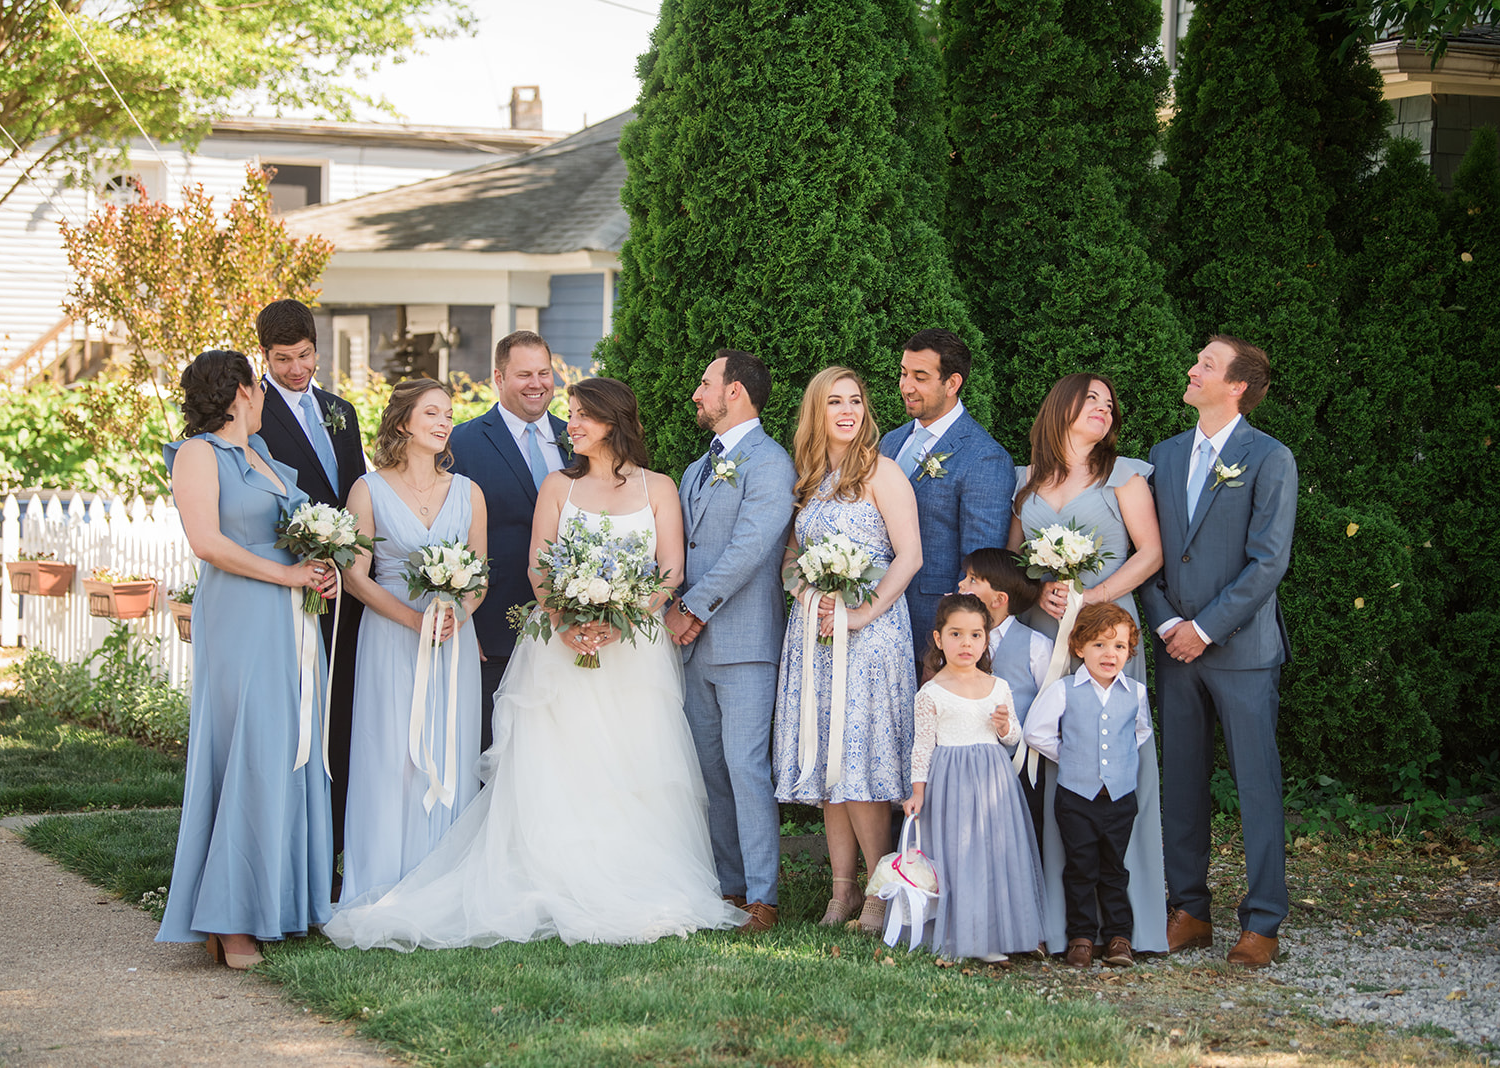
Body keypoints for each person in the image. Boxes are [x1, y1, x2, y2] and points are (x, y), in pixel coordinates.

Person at [324, 378, 743, 949]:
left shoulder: (659, 487)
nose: (569, 425)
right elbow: (538, 567)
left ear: (614, 421)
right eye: (569, 414)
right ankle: (551, 876)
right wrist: (569, 620)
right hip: (558, 650)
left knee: (632, 766)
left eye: (581, 416)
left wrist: (619, 619)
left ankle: (630, 876)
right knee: (557, 764)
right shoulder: (556, 486)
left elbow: (668, 570)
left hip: (632, 653)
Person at [156, 350, 338, 968]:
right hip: (240, 614)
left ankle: (281, 903)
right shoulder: (199, 454)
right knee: (246, 748)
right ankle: (230, 920)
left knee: (289, 745)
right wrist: (286, 578)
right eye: (258, 386)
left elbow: (296, 533)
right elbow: (207, 542)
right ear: (239, 391)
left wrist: (319, 571)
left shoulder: (265, 458)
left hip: (289, 621)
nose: (264, 396)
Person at [1139, 336, 1297, 969]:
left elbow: (1268, 563)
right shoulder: (1165, 454)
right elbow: (1148, 555)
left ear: (1237, 386)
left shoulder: (1270, 458)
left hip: (1242, 652)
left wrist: (1203, 628)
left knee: (1257, 786)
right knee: (1180, 784)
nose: (1192, 369)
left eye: (1206, 364)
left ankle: (1262, 921)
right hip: (1176, 649)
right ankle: (1190, 911)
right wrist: (1169, 623)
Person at [1009, 371, 1167, 955]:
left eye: (1108, 402)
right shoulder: (1024, 484)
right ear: (1062, 408)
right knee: (1055, 760)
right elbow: (1016, 562)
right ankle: (1061, 922)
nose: (1103, 408)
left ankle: (1130, 924)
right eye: (1090, 399)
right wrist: (1041, 590)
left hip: (1108, 635)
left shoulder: (1122, 476)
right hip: (1048, 635)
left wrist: (1094, 599)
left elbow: (1150, 553)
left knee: (1118, 758)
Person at [772, 366, 922, 936]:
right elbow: (790, 558)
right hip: (815, 635)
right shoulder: (808, 480)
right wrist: (805, 591)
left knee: (861, 763)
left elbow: (909, 556)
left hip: (872, 634)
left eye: (855, 400)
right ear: (817, 411)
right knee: (830, 765)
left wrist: (860, 612)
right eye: (834, 401)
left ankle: (882, 893)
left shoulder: (881, 472)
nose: (847, 410)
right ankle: (842, 893)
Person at [338, 379, 486, 904]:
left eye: (448, 413)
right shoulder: (368, 488)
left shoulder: (469, 492)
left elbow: (480, 576)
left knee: (449, 749)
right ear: (403, 423)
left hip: (451, 641)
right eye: (431, 413)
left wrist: (457, 615)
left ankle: (445, 883)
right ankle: (383, 878)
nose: (445, 422)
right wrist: (411, 619)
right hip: (389, 635)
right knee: (390, 751)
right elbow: (356, 575)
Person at [665, 350, 796, 933]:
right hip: (693, 648)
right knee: (710, 769)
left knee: (746, 767)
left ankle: (764, 896)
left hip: (745, 643)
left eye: (705, 383)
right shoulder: (696, 470)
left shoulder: (770, 463)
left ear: (735, 392)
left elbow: (750, 548)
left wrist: (691, 608)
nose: (697, 394)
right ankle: (729, 889)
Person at [255, 299, 366, 874]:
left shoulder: (339, 409)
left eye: (305, 356)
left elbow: (356, 493)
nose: (297, 369)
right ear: (264, 356)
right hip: (290, 583)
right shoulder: (252, 414)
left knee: (342, 708)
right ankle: (297, 848)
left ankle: (338, 843)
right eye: (283, 359)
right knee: (298, 714)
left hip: (348, 588)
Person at [902, 593, 1045, 964]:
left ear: (986, 639)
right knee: (958, 856)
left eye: (976, 635)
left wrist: (1005, 726)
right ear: (938, 639)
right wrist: (918, 792)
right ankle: (963, 935)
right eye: (956, 634)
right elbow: (922, 747)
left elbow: (1013, 737)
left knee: (996, 854)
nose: (966, 644)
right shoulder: (930, 692)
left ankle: (999, 933)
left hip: (994, 781)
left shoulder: (997, 685)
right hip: (951, 781)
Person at [449, 329, 569, 751]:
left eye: (544, 372)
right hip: (494, 626)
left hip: (570, 627)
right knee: (493, 751)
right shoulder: (461, 443)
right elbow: (448, 537)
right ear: (498, 378)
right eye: (524, 375)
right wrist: (466, 622)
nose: (537, 384)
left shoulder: (577, 439)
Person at [1024, 603, 1154, 969]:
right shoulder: (1065, 689)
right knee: (1080, 867)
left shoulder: (1136, 693)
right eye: (1099, 644)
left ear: (1130, 651)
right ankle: (1080, 937)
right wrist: (1072, 755)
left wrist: (1119, 762)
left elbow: (1140, 731)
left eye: (1118, 647)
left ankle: (1119, 937)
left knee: (1114, 869)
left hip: (1119, 799)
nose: (1109, 654)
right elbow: (1036, 731)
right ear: (1079, 648)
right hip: (1076, 799)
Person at [878, 329, 1014, 661]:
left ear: (952, 384)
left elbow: (979, 567)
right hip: (876, 615)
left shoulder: (984, 458)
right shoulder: (890, 443)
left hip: (930, 625)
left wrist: (946, 644)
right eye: (903, 373)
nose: (906, 386)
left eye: (920, 377)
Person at [956, 547, 1052, 841]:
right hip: (965, 763)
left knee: (1021, 837)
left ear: (999, 600)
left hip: (1019, 766)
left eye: (972, 580)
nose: (961, 585)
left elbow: (1047, 707)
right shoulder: (955, 640)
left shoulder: (1036, 645)